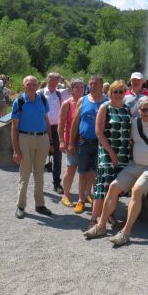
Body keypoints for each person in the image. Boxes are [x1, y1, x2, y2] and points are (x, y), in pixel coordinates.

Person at [84, 96, 148, 246]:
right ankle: (101, 226)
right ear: (139, 110)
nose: (147, 113)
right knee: (113, 187)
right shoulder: (135, 122)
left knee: (137, 190)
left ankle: (126, 232)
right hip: (135, 165)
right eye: (144, 110)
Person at [91, 80, 132, 227]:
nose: (119, 94)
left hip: (124, 153)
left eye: (122, 91)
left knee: (115, 188)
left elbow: (130, 131)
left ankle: (109, 216)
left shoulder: (127, 109)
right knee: (103, 186)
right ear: (110, 92)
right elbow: (98, 132)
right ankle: (94, 219)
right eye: (116, 91)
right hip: (108, 153)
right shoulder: (105, 107)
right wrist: (111, 153)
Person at [11, 75, 53, 218]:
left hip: (42, 138)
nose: (31, 86)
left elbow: (46, 120)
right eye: (29, 84)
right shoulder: (19, 101)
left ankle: (40, 205)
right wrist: (16, 150)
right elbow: (14, 127)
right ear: (24, 86)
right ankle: (20, 205)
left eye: (34, 84)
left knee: (39, 173)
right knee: (25, 174)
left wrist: (51, 141)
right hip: (25, 138)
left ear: (37, 86)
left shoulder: (42, 99)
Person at [68, 75, 108, 214]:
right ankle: (81, 200)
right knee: (83, 173)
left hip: (101, 144)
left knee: (98, 174)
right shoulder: (82, 100)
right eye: (90, 84)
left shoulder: (107, 102)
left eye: (96, 84)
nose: (92, 86)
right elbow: (75, 123)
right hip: (84, 142)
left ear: (101, 85)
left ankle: (97, 201)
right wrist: (71, 143)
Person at [40, 72, 70, 194]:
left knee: (57, 157)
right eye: (51, 80)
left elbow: (70, 88)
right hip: (42, 128)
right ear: (47, 80)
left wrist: (63, 78)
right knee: (40, 156)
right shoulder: (40, 93)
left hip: (57, 128)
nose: (53, 82)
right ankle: (39, 183)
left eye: (56, 80)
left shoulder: (59, 93)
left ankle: (56, 183)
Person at [57, 78, 84, 207]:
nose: (80, 90)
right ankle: (66, 195)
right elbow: (61, 124)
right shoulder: (67, 104)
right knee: (71, 168)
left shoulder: (87, 102)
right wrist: (61, 141)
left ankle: (84, 195)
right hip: (71, 141)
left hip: (85, 141)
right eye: (77, 87)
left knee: (86, 170)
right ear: (71, 89)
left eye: (82, 87)